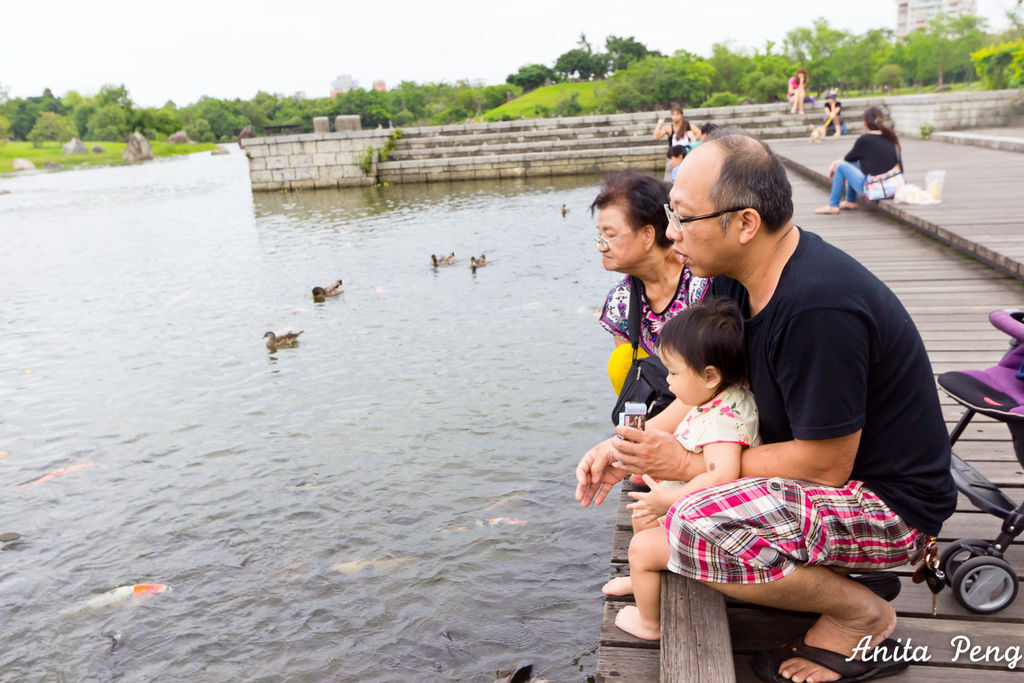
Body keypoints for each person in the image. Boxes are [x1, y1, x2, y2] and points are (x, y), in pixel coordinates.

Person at [576, 132, 956, 683]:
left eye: (684, 218)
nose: (673, 234)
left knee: (690, 523)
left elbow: (827, 465)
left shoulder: (817, 308)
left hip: (888, 505)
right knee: (672, 499)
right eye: (669, 214)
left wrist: (688, 467)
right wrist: (626, 448)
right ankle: (827, 576)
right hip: (823, 486)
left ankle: (861, 615)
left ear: (745, 224)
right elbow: (708, 385)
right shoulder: (733, 276)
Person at [600, 298, 759, 641]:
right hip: (701, 510)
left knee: (641, 546)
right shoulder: (714, 398)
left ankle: (649, 622)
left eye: (673, 372)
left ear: (709, 375)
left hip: (721, 523)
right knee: (642, 521)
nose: (667, 382)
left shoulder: (724, 419)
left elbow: (722, 476)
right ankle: (643, 580)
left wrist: (670, 499)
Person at [594, 171, 709, 359]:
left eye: (610, 235)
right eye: (600, 235)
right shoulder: (621, 301)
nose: (600, 246)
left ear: (648, 235)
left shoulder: (703, 280)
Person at [815, 106, 900, 215]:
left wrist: (834, 164)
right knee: (854, 164)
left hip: (876, 188)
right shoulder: (891, 138)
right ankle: (850, 201)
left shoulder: (864, 140)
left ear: (864, 124)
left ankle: (833, 205)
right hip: (893, 187)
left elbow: (847, 159)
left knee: (842, 167)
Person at [654, 109, 702, 179]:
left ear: (681, 115)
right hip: (673, 155)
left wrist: (692, 139)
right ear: (671, 116)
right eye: (673, 115)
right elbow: (656, 137)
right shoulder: (669, 128)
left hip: (685, 153)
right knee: (670, 173)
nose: (675, 117)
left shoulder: (687, 126)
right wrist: (659, 124)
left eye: (677, 114)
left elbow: (699, 133)